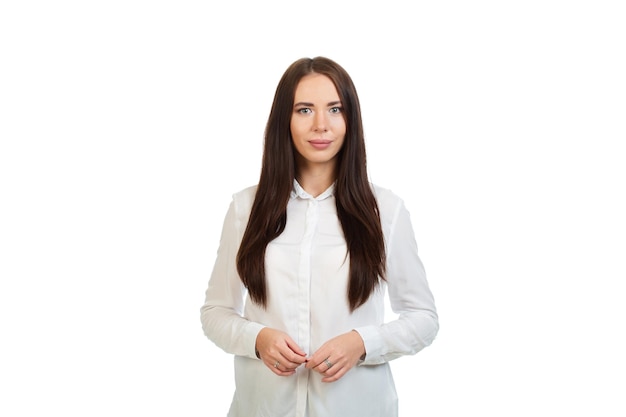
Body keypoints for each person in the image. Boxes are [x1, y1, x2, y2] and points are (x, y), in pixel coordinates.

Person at [200, 56, 438, 417]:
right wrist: (257, 340)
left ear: (350, 119)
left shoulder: (385, 211)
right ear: (285, 119)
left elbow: (423, 317)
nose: (321, 125)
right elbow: (215, 312)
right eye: (305, 110)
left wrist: (363, 343)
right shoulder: (245, 208)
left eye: (335, 109)